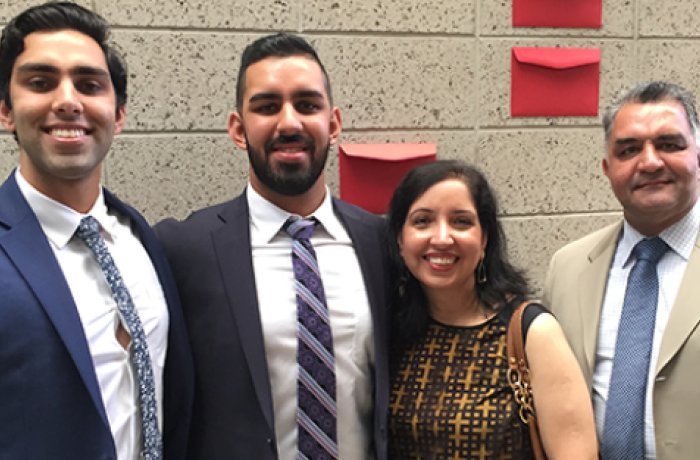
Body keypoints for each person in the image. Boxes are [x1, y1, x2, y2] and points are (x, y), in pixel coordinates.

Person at [155, 33, 390, 459]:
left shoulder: (381, 244)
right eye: (266, 107)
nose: (289, 123)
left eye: (307, 104)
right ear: (238, 128)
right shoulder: (183, 248)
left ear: (333, 123)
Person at [0, 3, 193, 459]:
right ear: (6, 111)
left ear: (118, 115)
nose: (68, 100)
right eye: (41, 82)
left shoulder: (142, 239)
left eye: (89, 84)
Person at [386, 160, 597, 459]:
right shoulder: (391, 330)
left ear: (484, 239)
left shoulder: (531, 332)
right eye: (422, 221)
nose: (442, 238)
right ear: (400, 238)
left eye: (461, 221)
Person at [544, 81, 700, 459]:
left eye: (669, 144)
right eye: (629, 150)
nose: (649, 162)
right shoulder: (567, 268)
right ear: (607, 168)